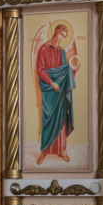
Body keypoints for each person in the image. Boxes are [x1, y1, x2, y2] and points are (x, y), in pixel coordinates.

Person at [37, 24, 76, 164]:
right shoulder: (43, 49)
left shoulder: (62, 52)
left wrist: (74, 69)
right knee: (47, 121)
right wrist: (51, 83)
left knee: (61, 120)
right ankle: (44, 151)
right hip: (49, 91)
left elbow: (65, 72)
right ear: (55, 32)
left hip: (60, 92)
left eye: (64, 37)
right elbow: (40, 70)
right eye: (61, 35)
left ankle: (62, 150)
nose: (61, 39)